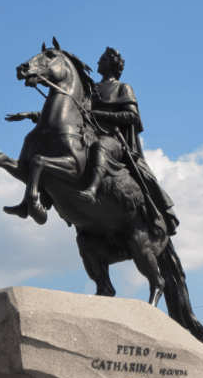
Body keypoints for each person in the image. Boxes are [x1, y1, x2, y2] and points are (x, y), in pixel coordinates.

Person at [77, 47, 179, 236]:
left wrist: (101, 113)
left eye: (103, 59)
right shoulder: (90, 89)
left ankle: (92, 189)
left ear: (113, 64)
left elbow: (132, 116)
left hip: (113, 139)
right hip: (88, 135)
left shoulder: (123, 87)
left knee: (101, 147)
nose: (98, 62)